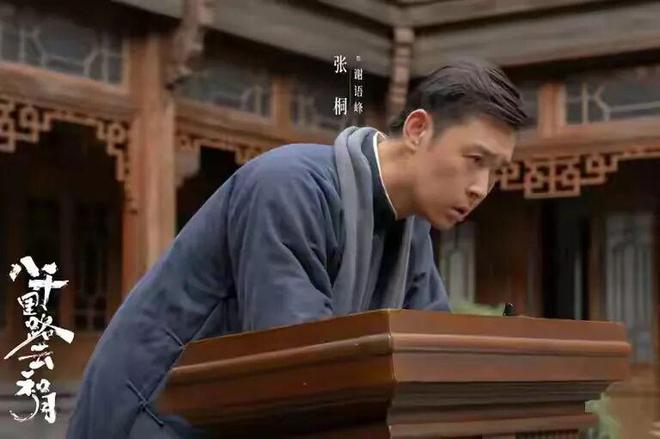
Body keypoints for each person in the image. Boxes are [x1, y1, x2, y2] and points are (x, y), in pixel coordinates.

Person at [67, 58, 527, 438]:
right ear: (418, 129)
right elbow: (300, 363)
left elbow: (429, 353)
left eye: (495, 170)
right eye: (475, 160)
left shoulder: (412, 230)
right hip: (153, 415)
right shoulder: (289, 185)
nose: (481, 187)